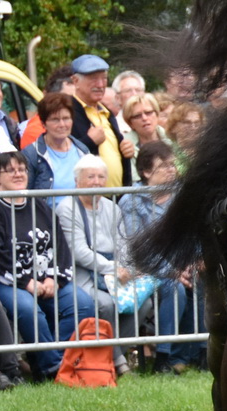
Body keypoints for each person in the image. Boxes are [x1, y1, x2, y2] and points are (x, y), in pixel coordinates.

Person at [0, 151, 96, 379]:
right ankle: (53, 368)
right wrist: (26, 282)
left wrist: (53, 278)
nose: (18, 174)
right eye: (10, 170)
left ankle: (51, 361)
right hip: (7, 281)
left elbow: (60, 246)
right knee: (29, 311)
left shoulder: (41, 205)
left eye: (22, 169)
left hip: (46, 278)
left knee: (83, 305)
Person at [118, 142, 204, 371]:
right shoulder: (131, 201)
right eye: (164, 166)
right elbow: (141, 248)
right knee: (174, 288)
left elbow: (193, 234)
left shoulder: (181, 196)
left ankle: (195, 354)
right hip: (148, 269)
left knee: (202, 280)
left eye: (173, 165)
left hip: (182, 263)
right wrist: (171, 271)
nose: (171, 170)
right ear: (146, 172)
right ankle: (164, 357)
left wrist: (195, 260)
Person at [53, 155, 131, 375]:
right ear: (77, 181)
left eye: (101, 177)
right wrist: (111, 268)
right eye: (90, 177)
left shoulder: (112, 207)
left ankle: (108, 355)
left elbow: (123, 244)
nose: (97, 182)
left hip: (113, 269)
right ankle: (119, 362)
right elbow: (78, 252)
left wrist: (123, 267)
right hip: (82, 272)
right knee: (105, 304)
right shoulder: (67, 208)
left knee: (142, 303)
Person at [68, 54, 136, 186]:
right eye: (93, 79)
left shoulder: (107, 113)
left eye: (104, 78)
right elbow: (60, 154)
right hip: (88, 195)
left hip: (116, 195)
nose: (100, 84)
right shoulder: (67, 112)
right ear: (75, 81)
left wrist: (126, 151)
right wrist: (89, 142)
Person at [21, 92, 85, 192]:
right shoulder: (31, 154)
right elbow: (25, 193)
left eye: (66, 118)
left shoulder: (82, 150)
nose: (62, 124)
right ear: (43, 123)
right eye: (55, 120)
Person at [163, 101, 204, 169]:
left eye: (197, 123)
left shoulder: (208, 151)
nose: (193, 127)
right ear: (173, 127)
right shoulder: (166, 152)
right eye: (187, 123)